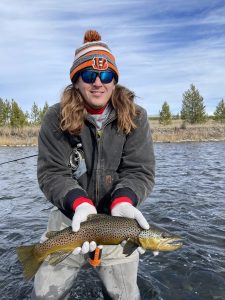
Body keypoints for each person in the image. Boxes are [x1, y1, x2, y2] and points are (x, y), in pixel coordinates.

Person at [32, 29, 155, 300]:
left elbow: (140, 170)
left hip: (118, 222)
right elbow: (52, 173)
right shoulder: (55, 117)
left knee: (125, 297)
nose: (98, 82)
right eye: (89, 75)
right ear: (76, 81)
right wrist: (79, 203)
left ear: (115, 80)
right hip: (71, 219)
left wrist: (124, 201)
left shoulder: (136, 117)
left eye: (106, 75)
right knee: (45, 295)